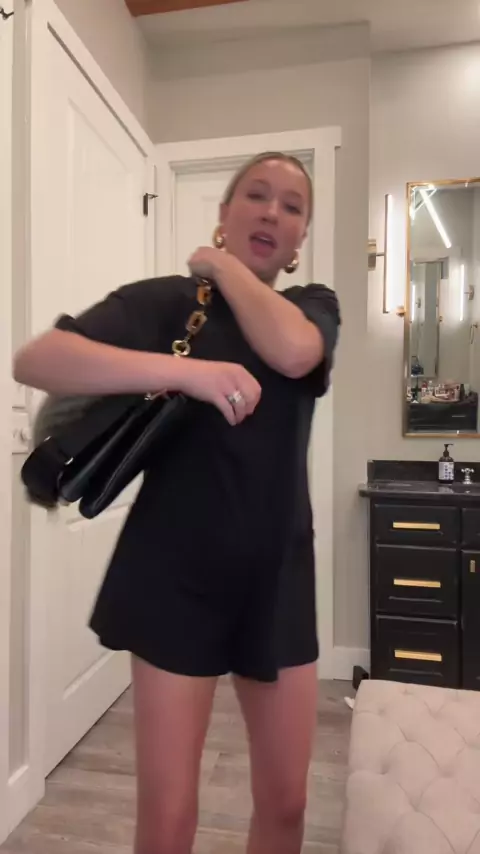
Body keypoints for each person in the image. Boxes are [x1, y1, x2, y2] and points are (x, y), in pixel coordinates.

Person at [14, 151, 341, 854]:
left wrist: (218, 263)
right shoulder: (168, 304)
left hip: (278, 581)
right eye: (255, 195)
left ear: (300, 238)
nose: (271, 211)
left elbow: (292, 354)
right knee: (167, 822)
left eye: (291, 206)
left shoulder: (313, 308)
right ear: (225, 213)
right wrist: (186, 373)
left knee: (287, 803)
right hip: (173, 579)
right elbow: (36, 360)